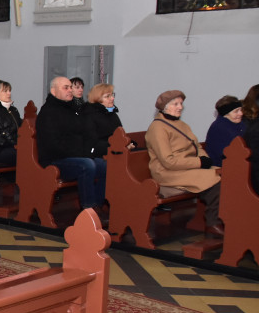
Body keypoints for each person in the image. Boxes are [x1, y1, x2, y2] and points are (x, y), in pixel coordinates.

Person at [146, 90, 223, 234]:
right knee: (215, 180)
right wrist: (199, 163)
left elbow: (197, 146)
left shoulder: (182, 124)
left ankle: (221, 219)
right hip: (167, 173)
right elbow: (168, 161)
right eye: (175, 104)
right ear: (165, 107)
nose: (180, 107)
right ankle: (213, 222)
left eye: (181, 103)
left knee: (223, 173)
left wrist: (204, 158)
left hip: (186, 168)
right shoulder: (157, 128)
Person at [36, 76, 106, 211]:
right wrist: (81, 153)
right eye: (65, 88)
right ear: (54, 91)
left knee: (105, 166)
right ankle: (88, 209)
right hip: (55, 160)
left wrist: (89, 151)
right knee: (87, 165)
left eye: (70, 87)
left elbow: (84, 134)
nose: (70, 90)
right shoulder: (48, 113)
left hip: (75, 155)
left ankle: (98, 204)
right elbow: (53, 145)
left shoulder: (72, 109)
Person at [82, 83, 127, 158]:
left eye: (112, 95)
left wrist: (130, 143)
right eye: (107, 96)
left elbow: (120, 135)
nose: (112, 98)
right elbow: (92, 143)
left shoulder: (113, 114)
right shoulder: (89, 115)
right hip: (98, 155)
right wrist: (116, 146)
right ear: (97, 99)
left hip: (115, 150)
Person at [205, 96, 245, 167]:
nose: (241, 113)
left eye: (241, 110)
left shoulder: (238, 123)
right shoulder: (220, 127)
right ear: (225, 114)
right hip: (222, 167)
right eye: (236, 111)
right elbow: (234, 152)